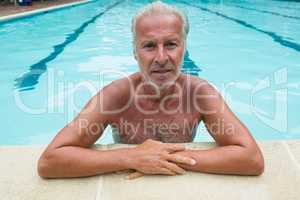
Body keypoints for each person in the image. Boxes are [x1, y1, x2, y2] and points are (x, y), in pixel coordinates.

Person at [38, 1, 264, 180]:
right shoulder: (115, 96)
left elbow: (252, 158)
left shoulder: (200, 94)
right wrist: (130, 157)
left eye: (171, 44)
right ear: (135, 52)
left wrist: (165, 158)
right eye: (149, 46)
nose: (161, 57)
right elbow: (50, 161)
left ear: (184, 49)